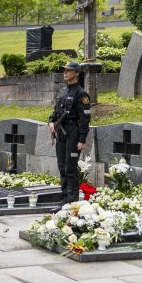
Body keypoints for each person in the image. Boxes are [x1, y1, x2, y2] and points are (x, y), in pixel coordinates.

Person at [47, 61, 91, 205]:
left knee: (70, 167)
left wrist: (82, 139)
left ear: (76, 73)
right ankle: (64, 198)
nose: (65, 73)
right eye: (64, 70)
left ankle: (72, 200)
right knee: (61, 166)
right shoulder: (62, 91)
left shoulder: (81, 93)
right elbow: (55, 112)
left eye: (69, 70)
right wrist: (51, 122)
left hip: (73, 132)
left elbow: (85, 119)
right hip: (61, 131)